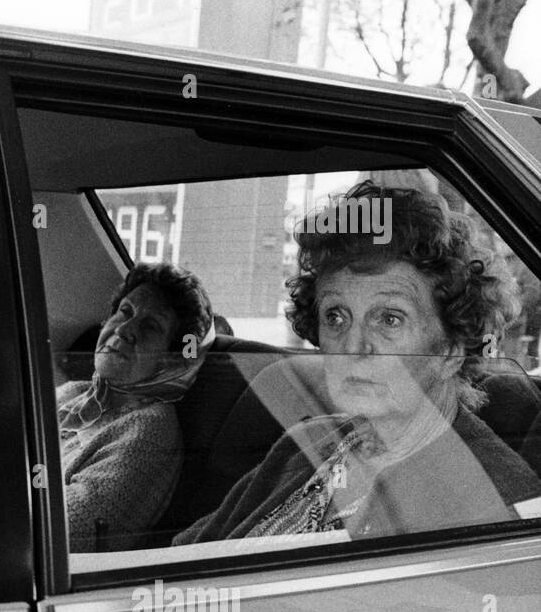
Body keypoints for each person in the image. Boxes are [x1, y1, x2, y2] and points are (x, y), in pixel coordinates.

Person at [176, 181, 541, 545]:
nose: (353, 347)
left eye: (389, 319)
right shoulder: (311, 440)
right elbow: (191, 551)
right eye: (336, 317)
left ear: (451, 349)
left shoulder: (493, 500)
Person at [58, 261, 214, 552]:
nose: (126, 330)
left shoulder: (148, 430)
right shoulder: (71, 394)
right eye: (125, 312)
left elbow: (63, 533)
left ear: (171, 360)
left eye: (151, 326)